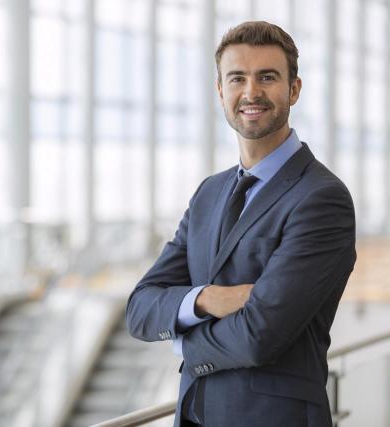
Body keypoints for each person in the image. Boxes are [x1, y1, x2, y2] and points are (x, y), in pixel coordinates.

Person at [126, 21, 356, 427]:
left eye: (267, 77)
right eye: (237, 78)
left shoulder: (321, 198)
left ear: (294, 89)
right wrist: (204, 300)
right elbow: (141, 308)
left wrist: (183, 340)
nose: (251, 92)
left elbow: (259, 336)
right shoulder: (208, 194)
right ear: (221, 91)